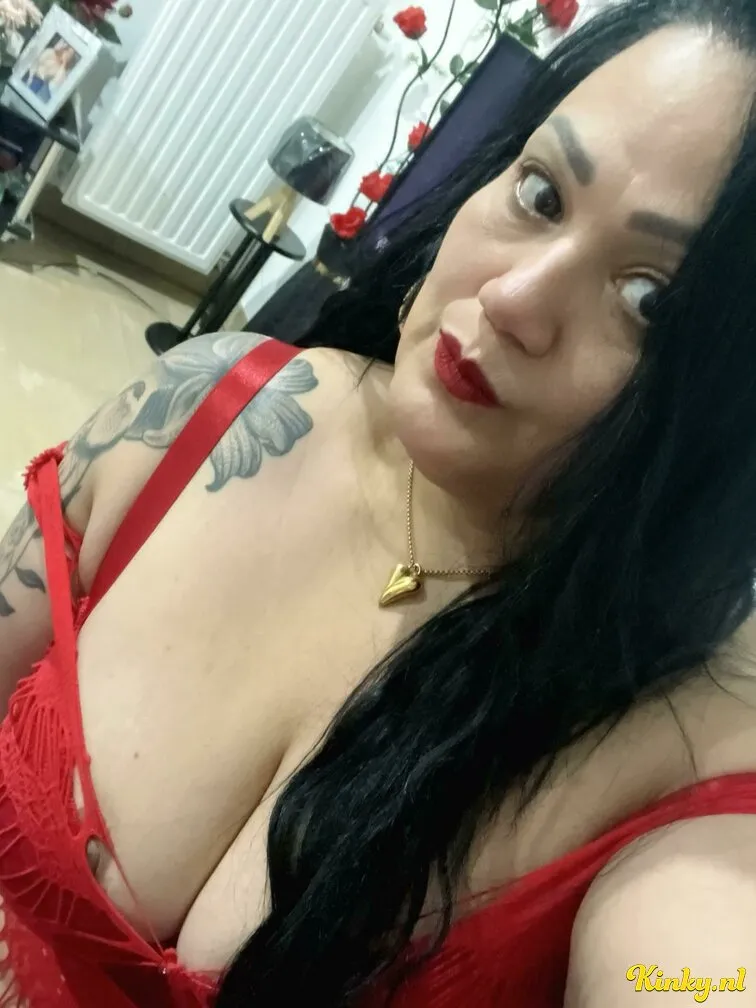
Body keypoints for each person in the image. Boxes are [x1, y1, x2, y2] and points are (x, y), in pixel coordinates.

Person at [2, 0, 756, 1004]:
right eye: (540, 193)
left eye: (648, 300)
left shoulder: (697, 765)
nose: (515, 301)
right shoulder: (213, 407)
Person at [21, 38, 79, 104]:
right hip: (31, 76)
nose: (67, 54)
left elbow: (55, 84)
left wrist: (64, 63)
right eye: (67, 50)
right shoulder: (50, 52)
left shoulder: (61, 69)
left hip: (41, 87)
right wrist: (30, 77)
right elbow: (35, 63)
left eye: (69, 54)